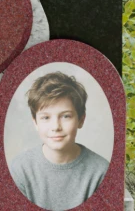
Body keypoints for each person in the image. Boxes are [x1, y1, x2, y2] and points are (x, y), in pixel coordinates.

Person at [9, 71, 109, 211]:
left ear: (81, 120)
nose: (56, 127)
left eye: (66, 116)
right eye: (46, 117)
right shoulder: (20, 169)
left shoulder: (101, 171)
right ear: (35, 122)